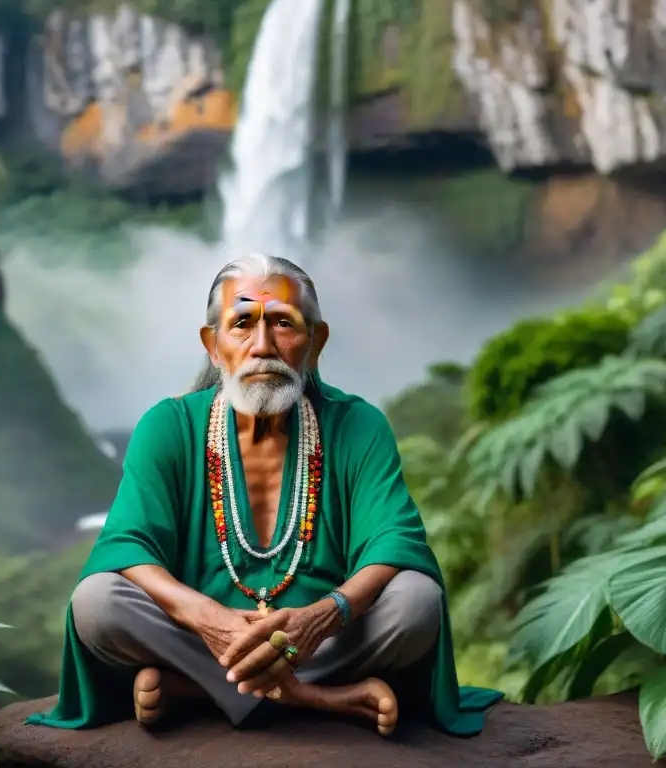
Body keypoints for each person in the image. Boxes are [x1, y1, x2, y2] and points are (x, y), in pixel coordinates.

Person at [27, 253, 503, 737]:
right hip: (203, 640)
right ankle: (314, 697)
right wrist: (212, 620)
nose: (262, 346)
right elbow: (127, 543)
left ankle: (199, 690)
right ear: (213, 345)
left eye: (283, 323)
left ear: (315, 343)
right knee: (97, 602)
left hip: (322, 639)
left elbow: (394, 542)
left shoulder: (358, 425)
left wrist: (321, 617)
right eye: (242, 325)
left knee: (416, 600)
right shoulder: (167, 426)